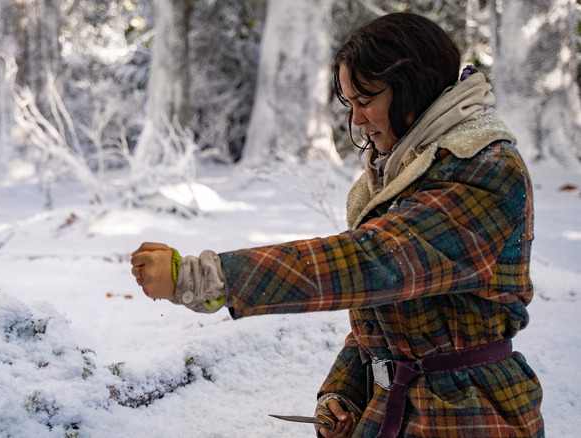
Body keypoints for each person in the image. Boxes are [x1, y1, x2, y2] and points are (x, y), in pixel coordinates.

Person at [130, 12, 543, 438]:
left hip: (472, 416)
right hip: (399, 410)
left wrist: (207, 278)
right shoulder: (407, 167)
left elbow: (373, 263)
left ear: (413, 88)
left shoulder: (486, 171)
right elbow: (388, 312)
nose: (358, 120)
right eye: (349, 104)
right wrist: (342, 395)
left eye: (366, 100)